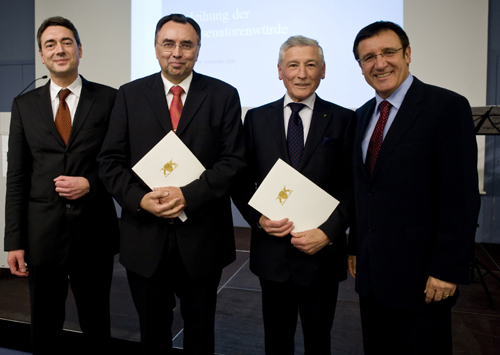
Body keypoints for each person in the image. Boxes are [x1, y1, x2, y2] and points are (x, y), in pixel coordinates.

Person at [97, 13, 245, 354]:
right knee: (152, 334)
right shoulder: (130, 95)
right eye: (169, 44)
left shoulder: (223, 95)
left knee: (200, 334)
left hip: (203, 238)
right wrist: (139, 200)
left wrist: (187, 195)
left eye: (186, 44)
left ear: (197, 49)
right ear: (155, 48)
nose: (177, 52)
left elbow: (233, 161)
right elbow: (109, 162)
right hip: (145, 238)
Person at [348, 21, 480, 354]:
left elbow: (460, 196)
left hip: (422, 277)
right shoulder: (362, 116)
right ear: (361, 67)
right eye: (368, 57)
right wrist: (354, 247)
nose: (379, 63)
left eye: (388, 52)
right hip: (373, 275)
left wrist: (447, 269)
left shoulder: (446, 107)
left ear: (407, 54)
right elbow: (363, 191)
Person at [4, 16, 119, 355]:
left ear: (80, 50)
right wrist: (14, 241)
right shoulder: (24, 106)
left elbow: (120, 163)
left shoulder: (110, 99)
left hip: (94, 232)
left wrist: (91, 183)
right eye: (51, 44)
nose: (60, 49)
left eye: (67, 42)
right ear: (42, 55)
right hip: (42, 234)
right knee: (44, 325)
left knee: (97, 323)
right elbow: (17, 177)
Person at [233, 35, 354, 354]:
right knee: (276, 340)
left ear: (323, 71)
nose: (302, 73)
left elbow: (352, 187)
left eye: (310, 64)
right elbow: (242, 179)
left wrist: (328, 233)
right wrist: (257, 219)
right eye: (293, 65)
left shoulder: (344, 119)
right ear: (279, 71)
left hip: (321, 254)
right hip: (272, 254)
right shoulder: (256, 118)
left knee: (319, 341)